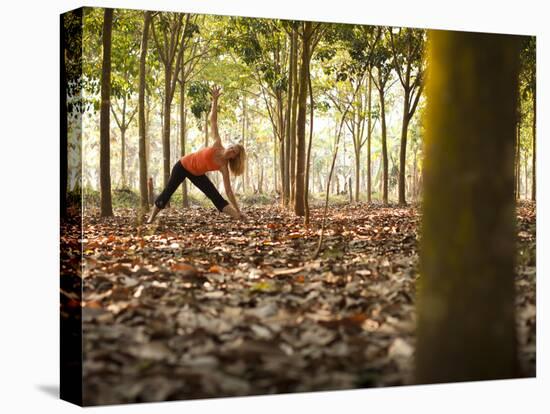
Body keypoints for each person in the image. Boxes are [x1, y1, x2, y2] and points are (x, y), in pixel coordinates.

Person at [147, 86, 246, 224]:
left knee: (215, 196)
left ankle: (238, 217)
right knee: (168, 192)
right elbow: (213, 121)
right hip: (182, 165)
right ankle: (151, 218)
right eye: (232, 147)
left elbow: (229, 192)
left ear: (234, 157)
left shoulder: (223, 167)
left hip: (197, 174)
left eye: (234, 151)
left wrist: (238, 210)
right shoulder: (217, 143)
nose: (230, 149)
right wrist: (214, 101)